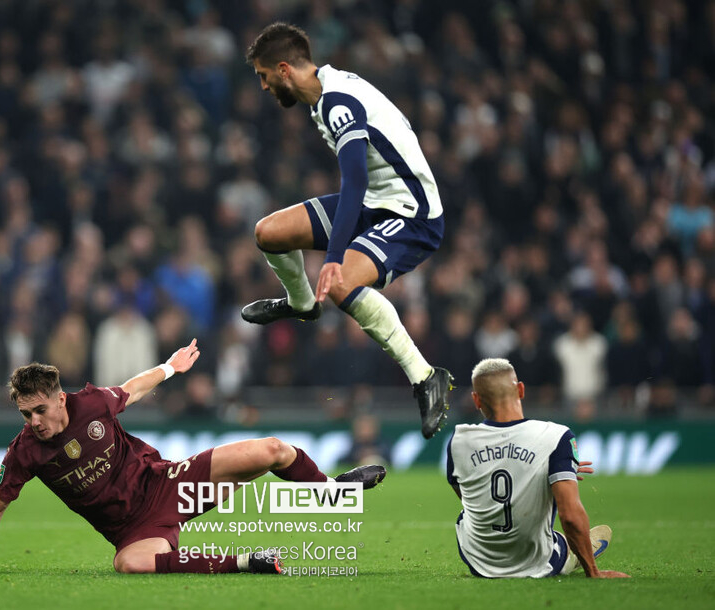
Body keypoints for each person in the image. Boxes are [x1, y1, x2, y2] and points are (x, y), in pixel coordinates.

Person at [0, 339, 385, 575]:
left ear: (60, 398)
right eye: (26, 414)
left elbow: (131, 389)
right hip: (132, 530)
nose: (34, 422)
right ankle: (250, 562)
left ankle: (331, 492)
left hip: (168, 484)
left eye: (40, 410)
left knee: (272, 449)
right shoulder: (24, 452)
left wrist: (170, 367)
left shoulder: (92, 403)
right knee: (129, 564)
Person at [242, 23, 452, 439]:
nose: (263, 87)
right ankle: (302, 304)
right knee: (269, 232)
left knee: (340, 283)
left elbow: (354, 180)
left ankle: (426, 377)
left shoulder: (337, 101)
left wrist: (334, 257)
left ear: (284, 69)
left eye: (264, 76)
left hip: (411, 212)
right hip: (375, 201)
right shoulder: (325, 90)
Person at [446, 358, 630, 579]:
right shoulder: (555, 437)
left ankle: (567, 545)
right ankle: (572, 552)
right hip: (536, 561)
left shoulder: (459, 440)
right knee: (559, 538)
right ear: (521, 390)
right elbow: (570, 517)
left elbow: (473, 499)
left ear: (476, 400)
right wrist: (593, 572)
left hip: (478, 560)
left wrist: (537, 471)